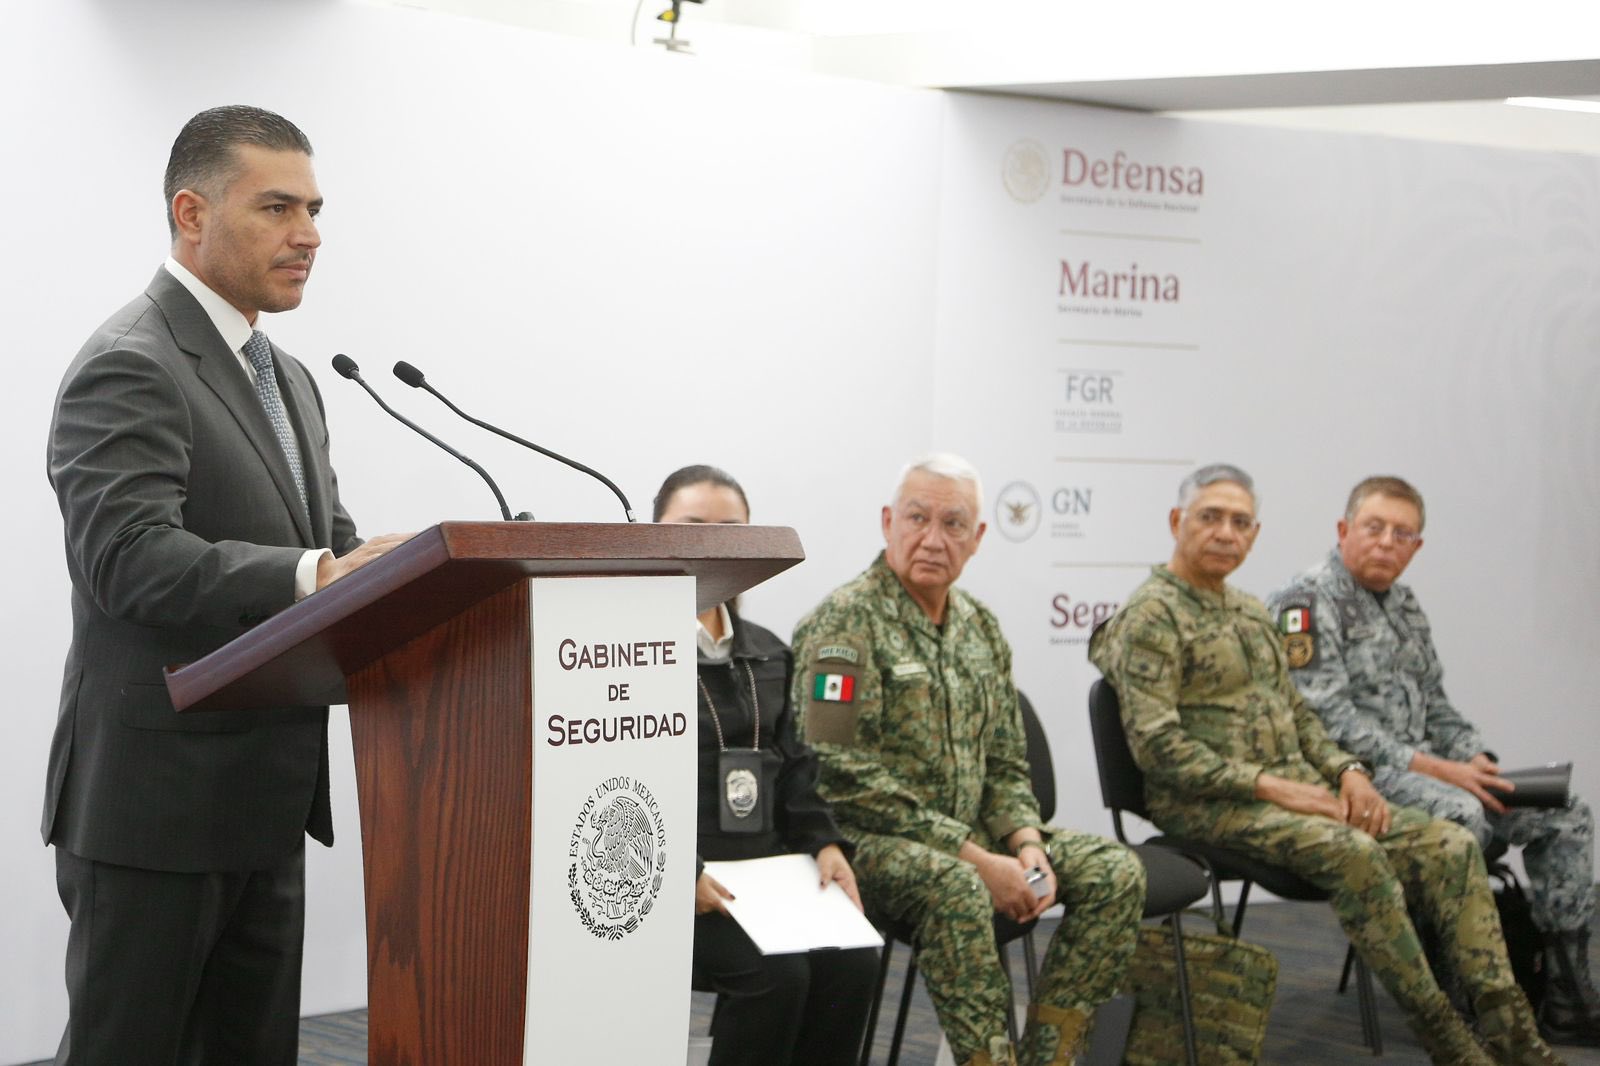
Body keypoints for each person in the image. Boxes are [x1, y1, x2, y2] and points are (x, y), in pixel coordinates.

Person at [44, 105, 408, 1065]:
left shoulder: (290, 377)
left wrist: (397, 571)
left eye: (315, 210)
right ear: (192, 213)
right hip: (156, 807)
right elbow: (126, 557)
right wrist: (318, 573)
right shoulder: (131, 360)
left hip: (265, 799)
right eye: (278, 208)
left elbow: (323, 547)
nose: (309, 235)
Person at [1088, 463, 1561, 1066]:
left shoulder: (1248, 611)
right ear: (1178, 521)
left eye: (1240, 522)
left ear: (1254, 535)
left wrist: (1347, 772)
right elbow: (1159, 749)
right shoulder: (1151, 617)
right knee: (1354, 852)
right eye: (1210, 517)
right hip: (1210, 806)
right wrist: (1276, 787)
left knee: (1449, 843)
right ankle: (1447, 1039)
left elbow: (1301, 715)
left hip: (1294, 795)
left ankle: (1511, 1031)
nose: (1226, 532)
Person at [791, 454, 1146, 1066]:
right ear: (888, 522)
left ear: (977, 537)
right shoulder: (844, 624)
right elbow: (837, 774)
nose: (933, 539)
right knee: (957, 887)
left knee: (1116, 872)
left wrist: (1026, 842)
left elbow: (1006, 761)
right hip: (867, 844)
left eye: (953, 524)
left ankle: (1050, 1055)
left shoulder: (981, 627)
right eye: (917, 518)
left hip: (974, 837)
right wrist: (979, 860)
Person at [1266, 474, 1600, 1045]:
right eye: (1374, 527)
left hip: (1432, 772)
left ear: (1417, 546)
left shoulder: (1404, 604)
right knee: (1460, 816)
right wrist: (1442, 770)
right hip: (1352, 778)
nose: (1387, 543)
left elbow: (1437, 704)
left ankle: (1566, 993)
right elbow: (1325, 721)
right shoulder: (1304, 603)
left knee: (1566, 813)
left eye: (1402, 534)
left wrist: (1476, 757)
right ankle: (1455, 995)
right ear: (1344, 529)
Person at [655, 465, 878, 1066]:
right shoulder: (626, 654)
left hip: (767, 876)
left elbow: (798, 769)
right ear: (655, 534)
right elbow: (609, 785)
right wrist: (677, 874)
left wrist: (825, 844)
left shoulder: (769, 652)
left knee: (855, 959)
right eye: (693, 527)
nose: (714, 546)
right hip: (679, 883)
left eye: (732, 531)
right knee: (777, 975)